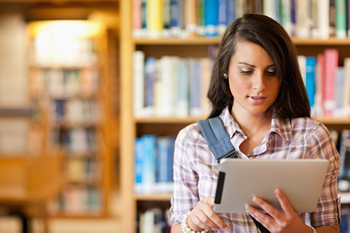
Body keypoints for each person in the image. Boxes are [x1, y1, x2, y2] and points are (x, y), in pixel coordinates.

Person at [167, 13, 341, 233]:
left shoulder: (311, 136)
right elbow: (177, 227)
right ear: (225, 70)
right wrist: (191, 223)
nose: (259, 85)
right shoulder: (192, 140)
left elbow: (330, 227)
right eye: (246, 71)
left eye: (272, 72)